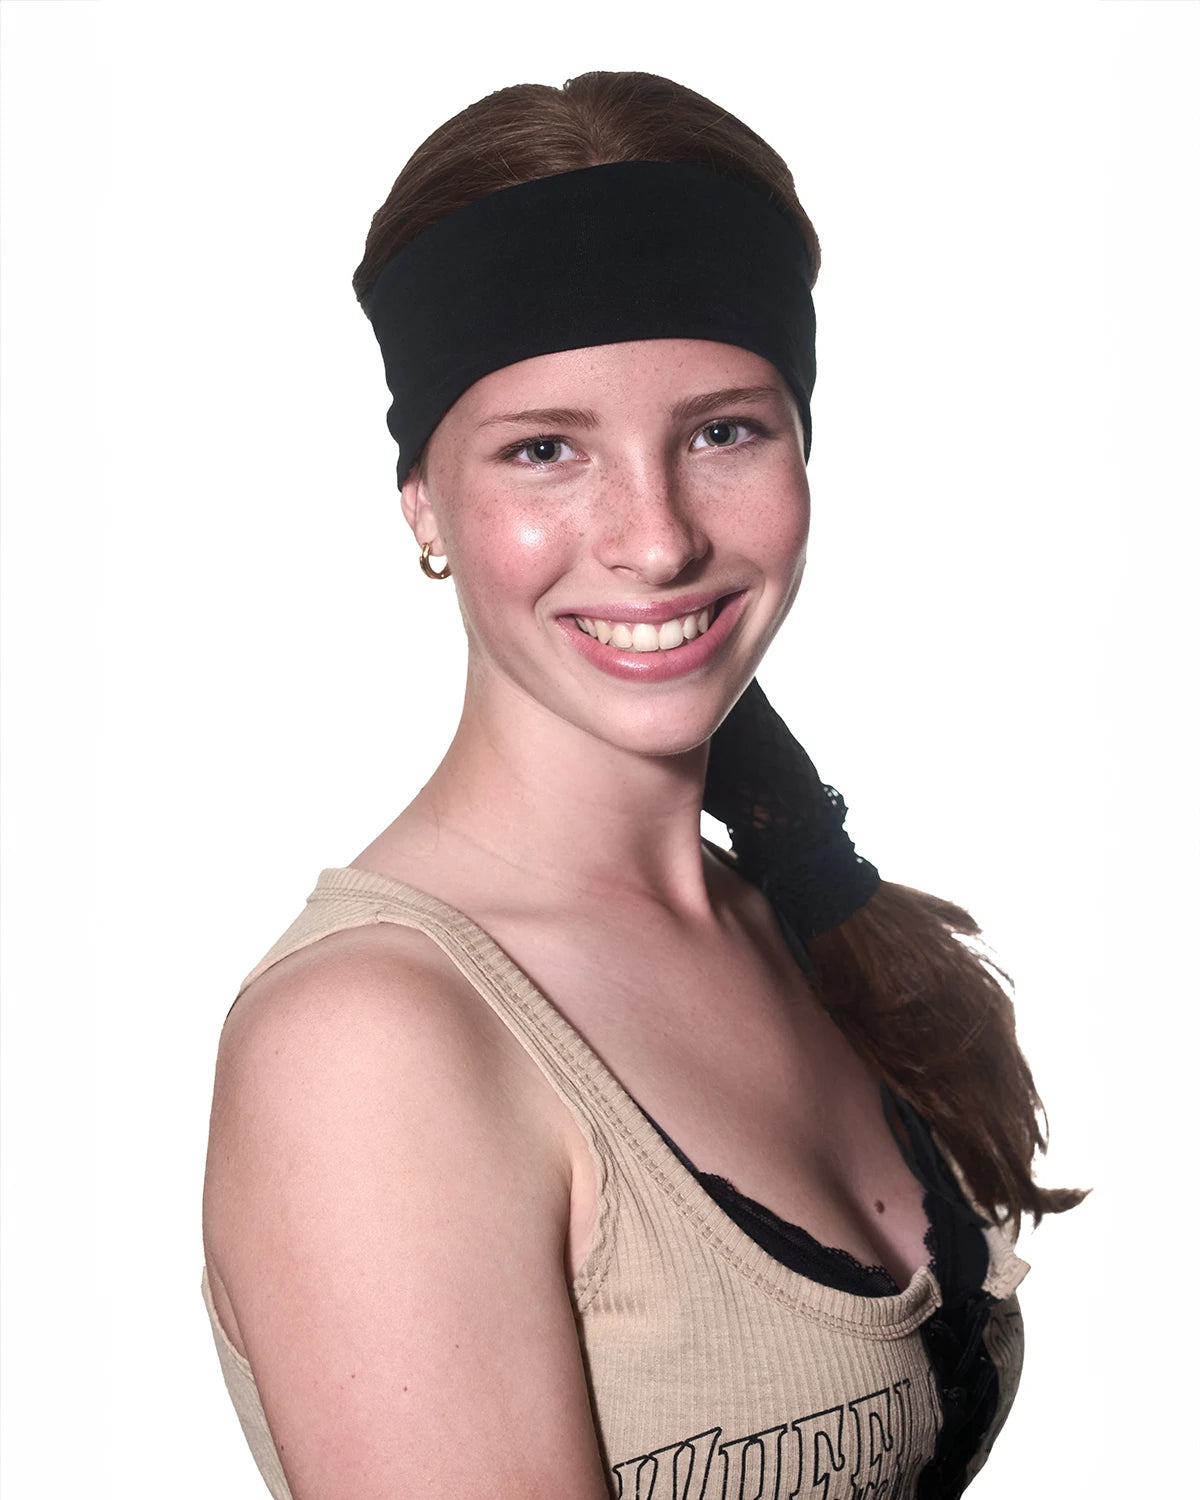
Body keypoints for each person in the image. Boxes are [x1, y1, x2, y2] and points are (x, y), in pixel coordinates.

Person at [201, 70, 1083, 1500]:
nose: (657, 539)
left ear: (805, 447)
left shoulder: (788, 924)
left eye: (722, 430)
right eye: (545, 450)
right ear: (423, 500)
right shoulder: (371, 1044)